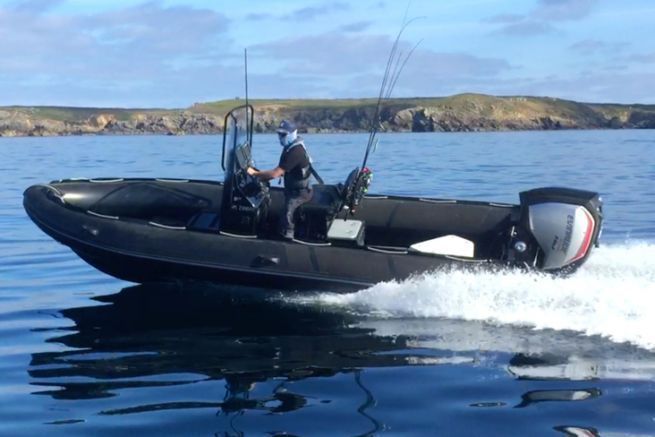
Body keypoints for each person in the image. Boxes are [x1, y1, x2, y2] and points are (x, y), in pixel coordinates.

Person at [247, 120, 313, 239]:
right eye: (279, 134)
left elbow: (275, 174)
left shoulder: (295, 151)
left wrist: (255, 173)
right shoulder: (290, 147)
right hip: (293, 189)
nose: (280, 137)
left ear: (292, 133)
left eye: (283, 135)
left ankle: (287, 238)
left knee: (287, 216)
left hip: (300, 193)